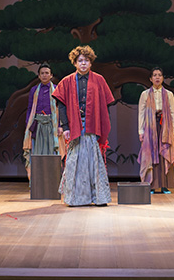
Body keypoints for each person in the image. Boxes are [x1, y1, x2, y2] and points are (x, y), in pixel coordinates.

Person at [53, 45, 114, 206]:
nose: (83, 63)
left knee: (94, 161)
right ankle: (76, 198)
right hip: (75, 125)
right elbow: (62, 105)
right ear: (74, 62)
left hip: (92, 125)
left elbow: (105, 105)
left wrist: (103, 125)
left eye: (86, 60)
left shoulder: (99, 80)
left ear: (91, 62)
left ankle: (98, 197)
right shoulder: (67, 81)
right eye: (80, 60)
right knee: (75, 162)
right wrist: (65, 127)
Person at [137, 67, 174, 194]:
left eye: (159, 75)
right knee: (150, 154)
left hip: (164, 126)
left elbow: (172, 113)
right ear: (150, 78)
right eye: (154, 75)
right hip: (150, 127)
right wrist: (141, 131)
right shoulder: (145, 94)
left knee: (164, 153)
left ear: (163, 78)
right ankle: (152, 185)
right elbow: (141, 114)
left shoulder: (169, 94)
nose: (157, 77)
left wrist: (172, 131)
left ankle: (164, 185)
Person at [23, 63, 65, 180]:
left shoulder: (57, 89)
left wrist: (60, 125)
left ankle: (53, 181)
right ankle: (38, 181)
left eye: (47, 73)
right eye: (42, 73)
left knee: (53, 152)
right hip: (38, 126)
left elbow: (61, 108)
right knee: (37, 152)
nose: (44, 75)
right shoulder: (34, 90)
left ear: (51, 75)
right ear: (39, 76)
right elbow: (30, 108)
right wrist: (28, 125)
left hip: (52, 125)